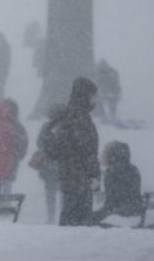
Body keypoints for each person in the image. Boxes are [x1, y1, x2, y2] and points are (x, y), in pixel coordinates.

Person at [40, 76, 101, 227]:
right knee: (79, 221)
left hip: (69, 173)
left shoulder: (69, 115)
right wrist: (94, 174)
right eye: (93, 96)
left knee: (70, 216)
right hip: (79, 175)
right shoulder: (79, 117)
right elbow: (87, 150)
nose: (95, 101)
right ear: (85, 96)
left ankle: (67, 243)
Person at [90, 141, 143, 225]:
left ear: (112, 156)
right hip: (134, 209)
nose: (102, 155)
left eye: (104, 152)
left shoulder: (112, 172)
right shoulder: (133, 169)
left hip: (121, 212)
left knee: (88, 219)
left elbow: (111, 202)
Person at [33, 114, 61, 224]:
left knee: (50, 193)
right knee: (64, 191)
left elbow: (39, 142)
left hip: (48, 166)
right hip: (63, 165)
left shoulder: (46, 126)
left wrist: (47, 150)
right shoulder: (67, 126)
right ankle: (63, 214)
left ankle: (51, 216)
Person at [2, 99, 29, 194]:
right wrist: (17, 156)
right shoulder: (18, 127)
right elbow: (23, 145)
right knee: (7, 186)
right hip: (11, 163)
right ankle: (4, 205)